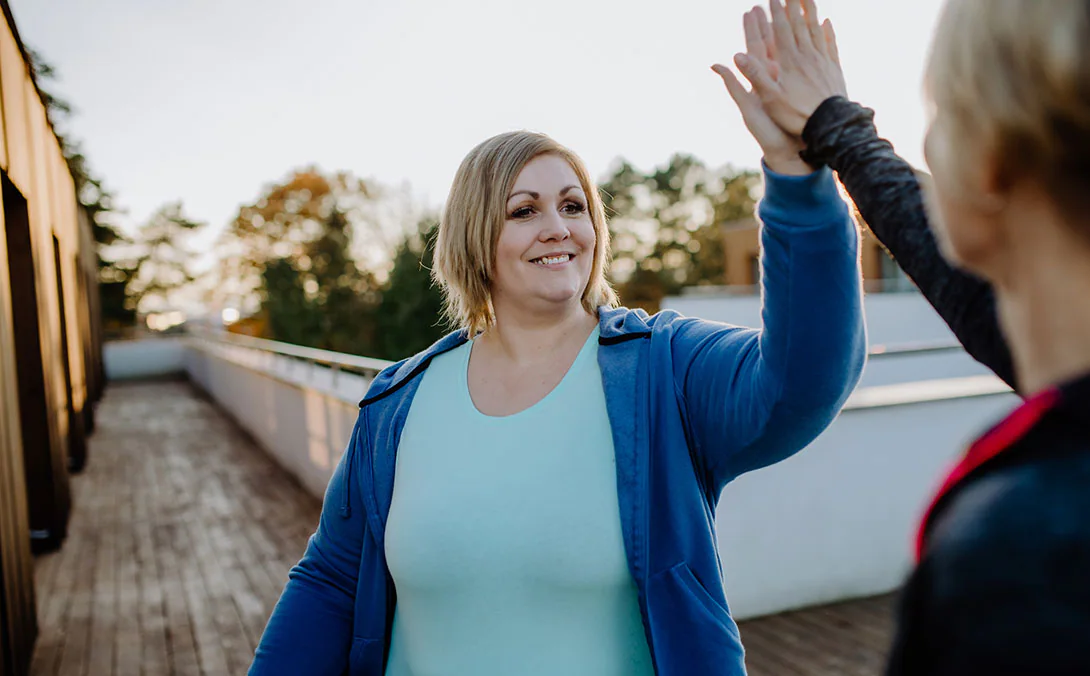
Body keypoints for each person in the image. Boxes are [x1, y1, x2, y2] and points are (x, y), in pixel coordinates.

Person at [247, 46, 867, 676]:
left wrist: (798, 183)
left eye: (573, 206)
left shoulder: (664, 370)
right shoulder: (397, 402)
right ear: (474, 238)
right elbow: (329, 582)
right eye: (524, 211)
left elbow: (800, 383)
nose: (558, 228)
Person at [736, 0, 1090, 673]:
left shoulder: (1042, 558)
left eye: (943, 119)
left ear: (986, 169)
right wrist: (837, 130)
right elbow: (977, 295)